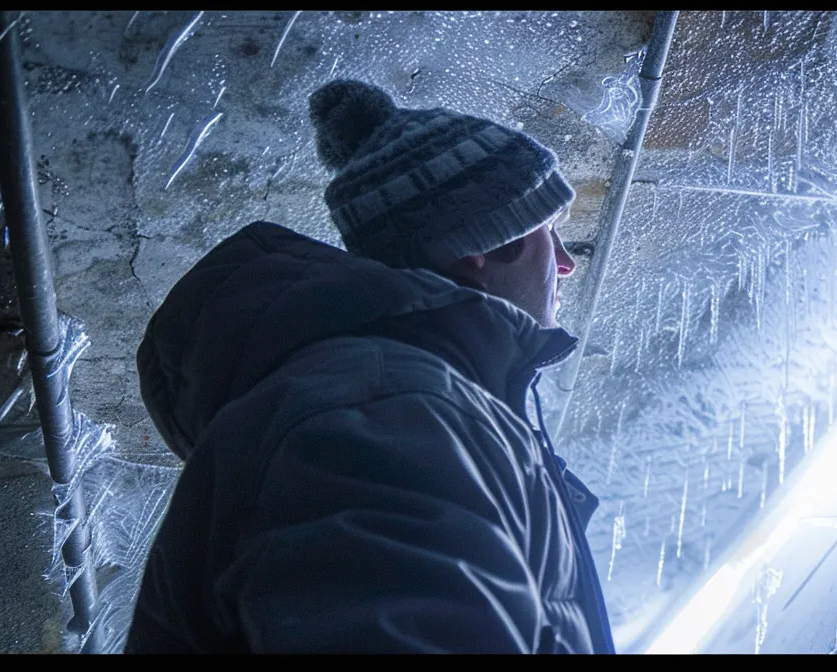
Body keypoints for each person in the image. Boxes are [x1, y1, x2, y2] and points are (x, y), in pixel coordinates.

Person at [125, 79, 613, 653]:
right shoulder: (391, 414)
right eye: (548, 233)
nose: (564, 265)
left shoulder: (404, 406)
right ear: (485, 242)